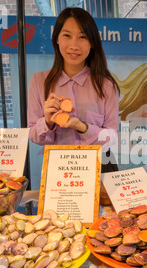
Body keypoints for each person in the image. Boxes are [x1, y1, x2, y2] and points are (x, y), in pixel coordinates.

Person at [27, 7, 119, 173]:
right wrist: (47, 121)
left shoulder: (106, 84)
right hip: (59, 169)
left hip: (100, 166)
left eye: (82, 37)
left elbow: (111, 137)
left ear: (92, 43)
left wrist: (82, 126)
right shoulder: (39, 81)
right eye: (67, 35)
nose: (74, 45)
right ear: (57, 39)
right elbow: (33, 135)